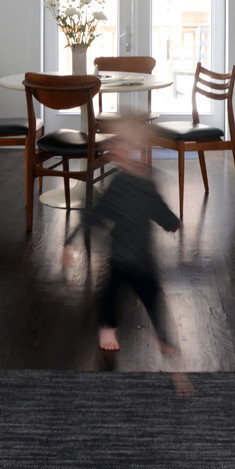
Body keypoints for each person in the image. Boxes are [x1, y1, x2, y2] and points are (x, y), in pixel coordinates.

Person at [63, 116, 180, 353]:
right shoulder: (117, 185)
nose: (114, 151)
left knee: (153, 296)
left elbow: (159, 208)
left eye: (121, 145)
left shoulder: (147, 182)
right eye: (114, 146)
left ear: (135, 148)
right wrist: (70, 243)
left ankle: (163, 338)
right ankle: (107, 326)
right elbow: (95, 215)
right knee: (107, 295)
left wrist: (173, 222)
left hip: (143, 258)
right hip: (118, 257)